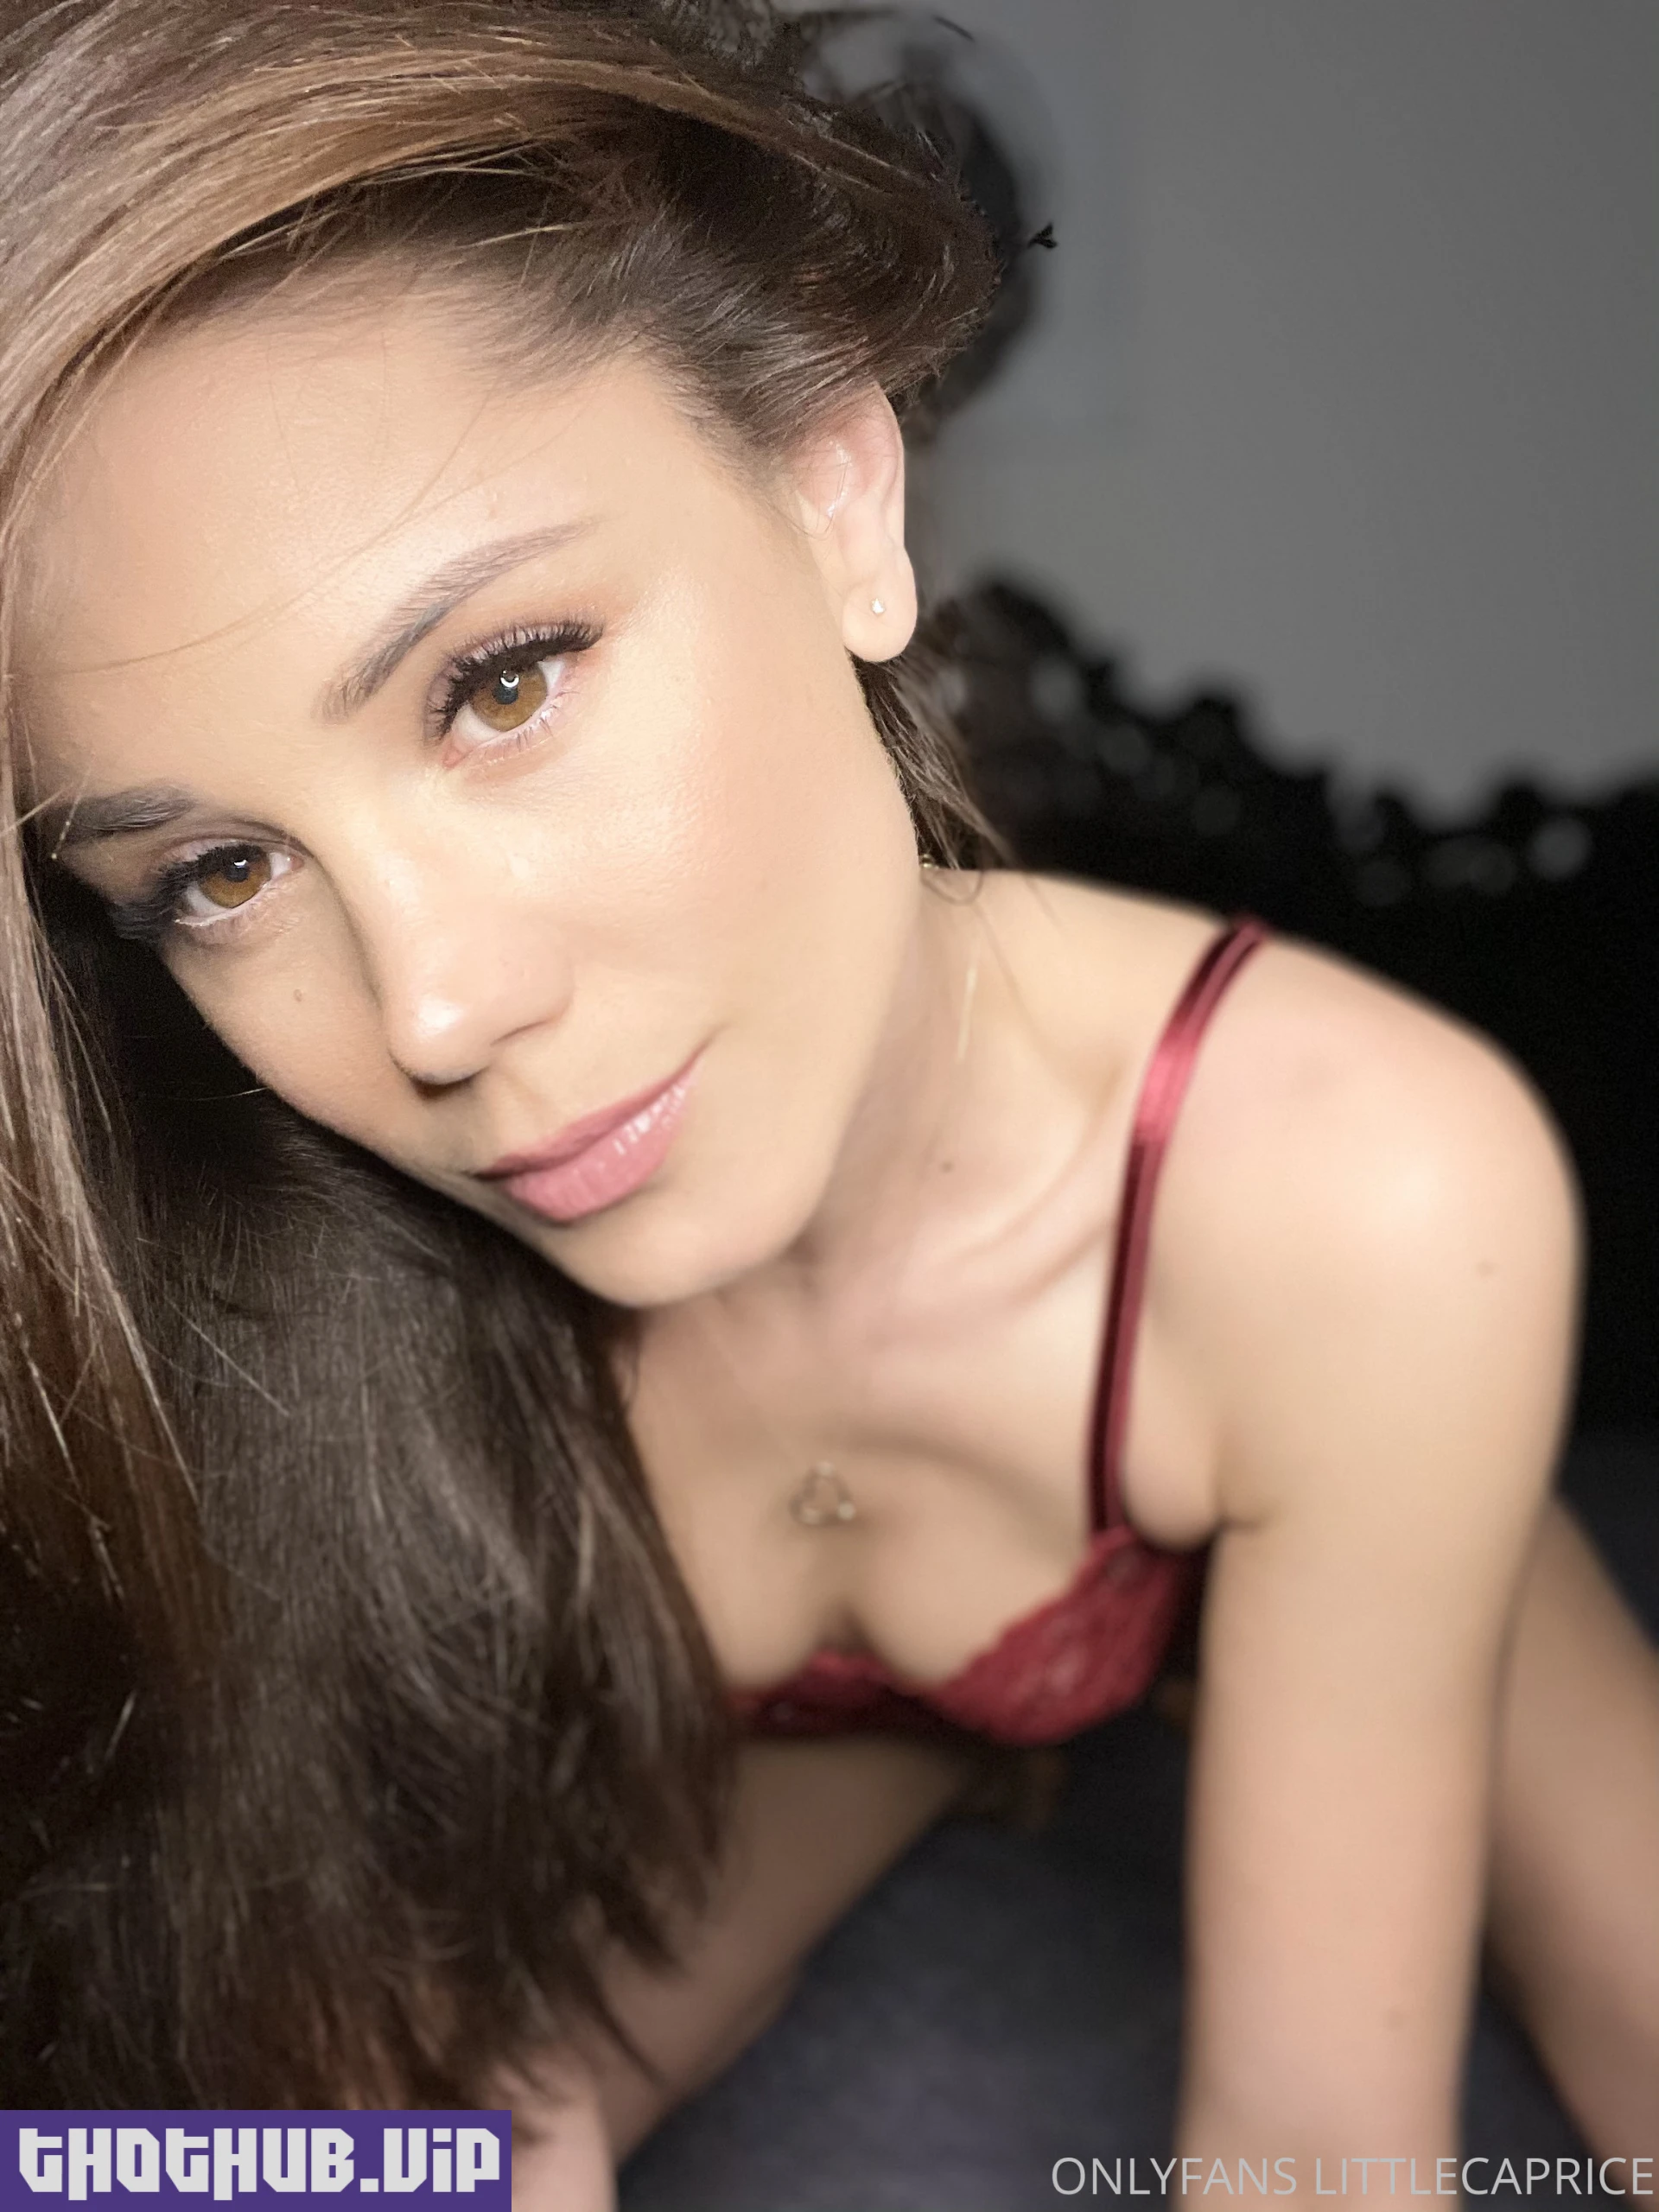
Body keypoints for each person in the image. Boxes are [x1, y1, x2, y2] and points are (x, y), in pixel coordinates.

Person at [0, 1, 1653, 2201]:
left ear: (838, 493)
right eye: (217, 872)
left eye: (503, 681)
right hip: (854, 1715)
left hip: (1285, 1395)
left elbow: (1313, 2154)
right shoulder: (233, 1241)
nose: (434, 1010)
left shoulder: (1356, 1186)